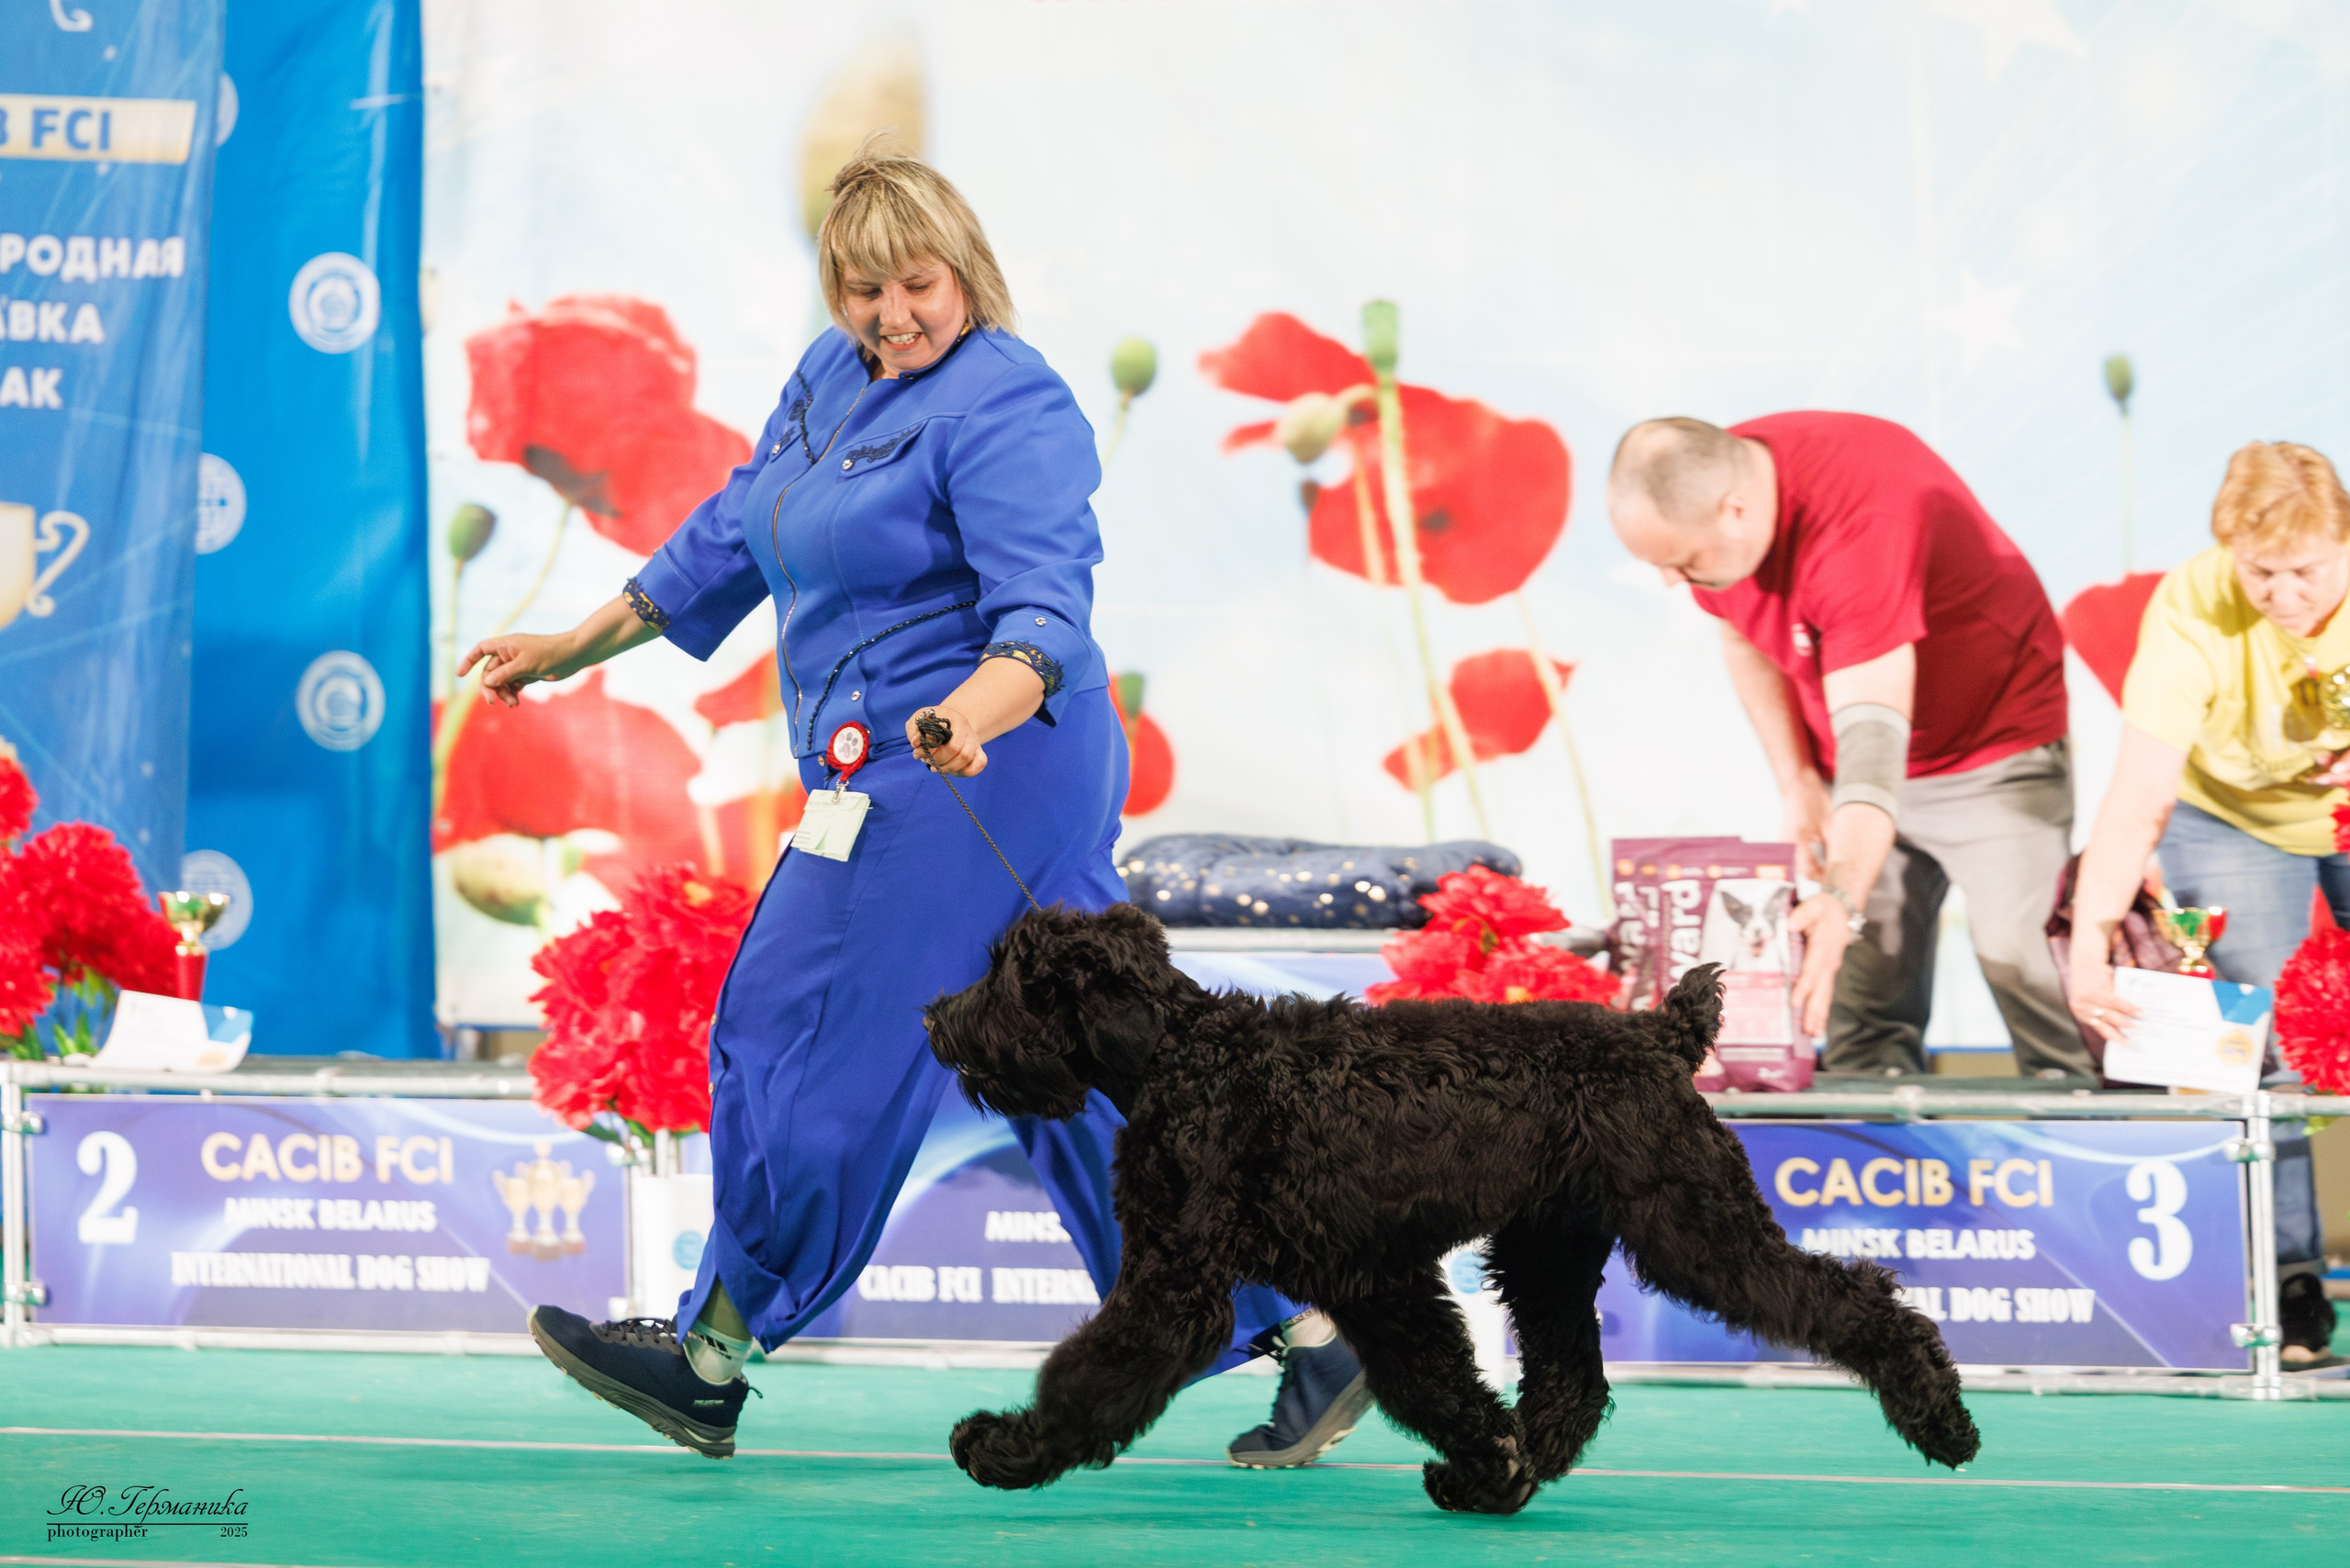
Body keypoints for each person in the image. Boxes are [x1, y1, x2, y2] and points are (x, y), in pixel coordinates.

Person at [458, 138, 1372, 1463]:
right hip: (902, 762)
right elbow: (729, 533)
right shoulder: (835, 377)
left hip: (979, 767)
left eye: (917, 286)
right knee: (1067, 1063)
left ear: (970, 273)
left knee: (797, 1022)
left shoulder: (1016, 406)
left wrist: (966, 716)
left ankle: (712, 1351)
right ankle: (1309, 1329)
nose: (891, 318)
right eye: (862, 291)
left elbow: (1045, 613)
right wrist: (567, 645)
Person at [1608, 413, 2090, 1080]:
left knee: (2020, 960)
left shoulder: (1860, 530)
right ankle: (1871, 1152)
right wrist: (1798, 779)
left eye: (1682, 561)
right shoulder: (1716, 494)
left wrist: (1840, 898)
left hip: (1990, 753)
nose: (1672, 582)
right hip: (1851, 769)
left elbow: (1874, 744)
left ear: (1736, 511)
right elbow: (1742, 636)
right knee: (1863, 1000)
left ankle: (2080, 1134)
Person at [2065, 440, 2346, 1366]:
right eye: (2259, 572)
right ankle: (2291, 1282)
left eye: (2304, 571)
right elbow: (2140, 787)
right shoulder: (2191, 605)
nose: (2281, 595)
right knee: (2267, 1043)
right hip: (2229, 818)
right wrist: (2094, 937)